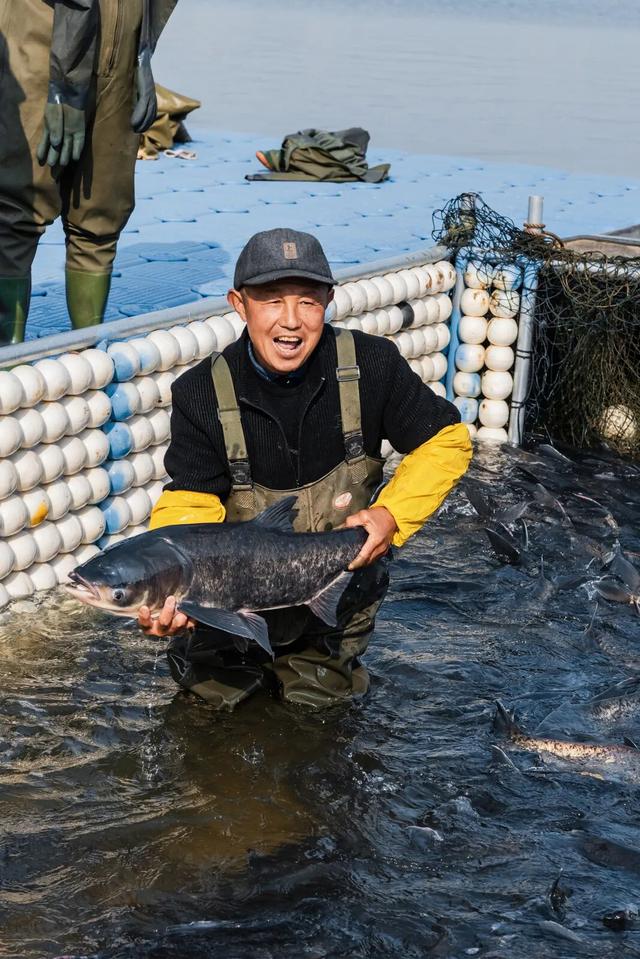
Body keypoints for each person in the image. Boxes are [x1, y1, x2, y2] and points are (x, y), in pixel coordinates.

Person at [138, 228, 473, 710]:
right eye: (271, 301)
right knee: (210, 718)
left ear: (329, 301)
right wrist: (165, 581)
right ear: (239, 304)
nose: (290, 322)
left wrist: (391, 516)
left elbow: (446, 440)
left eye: (308, 302)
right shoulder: (201, 391)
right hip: (229, 605)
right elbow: (191, 500)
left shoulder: (372, 364)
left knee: (317, 728)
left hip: (334, 599)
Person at [0, 0, 178, 345]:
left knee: (100, 211)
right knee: (17, 206)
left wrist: (144, 50)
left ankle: (87, 355)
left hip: (122, 44)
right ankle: (6, 364)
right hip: (37, 38)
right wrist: (65, 83)